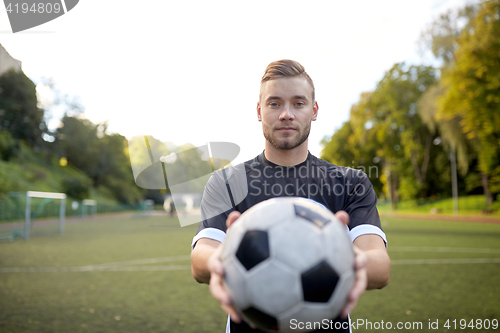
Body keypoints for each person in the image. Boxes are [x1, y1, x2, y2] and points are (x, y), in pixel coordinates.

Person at [190, 59, 390, 332]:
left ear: (314, 110)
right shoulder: (226, 182)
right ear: (259, 111)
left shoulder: (350, 182)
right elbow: (202, 255)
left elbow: (379, 268)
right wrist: (216, 261)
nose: (286, 114)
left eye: (298, 103)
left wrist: (353, 260)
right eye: (274, 104)